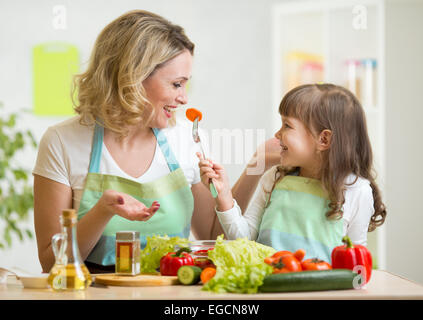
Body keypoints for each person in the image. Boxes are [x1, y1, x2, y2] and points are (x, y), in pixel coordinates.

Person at [33, 10, 280, 273]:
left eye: (185, 85)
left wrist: (256, 164)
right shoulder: (62, 141)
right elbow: (50, 261)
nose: (184, 98)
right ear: (132, 78)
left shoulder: (186, 138)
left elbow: (212, 234)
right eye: (176, 84)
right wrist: (103, 211)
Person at [198, 83, 387, 262]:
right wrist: (224, 199)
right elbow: (244, 240)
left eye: (287, 126)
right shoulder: (274, 178)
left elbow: (355, 260)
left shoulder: (357, 190)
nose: (277, 134)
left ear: (324, 139)